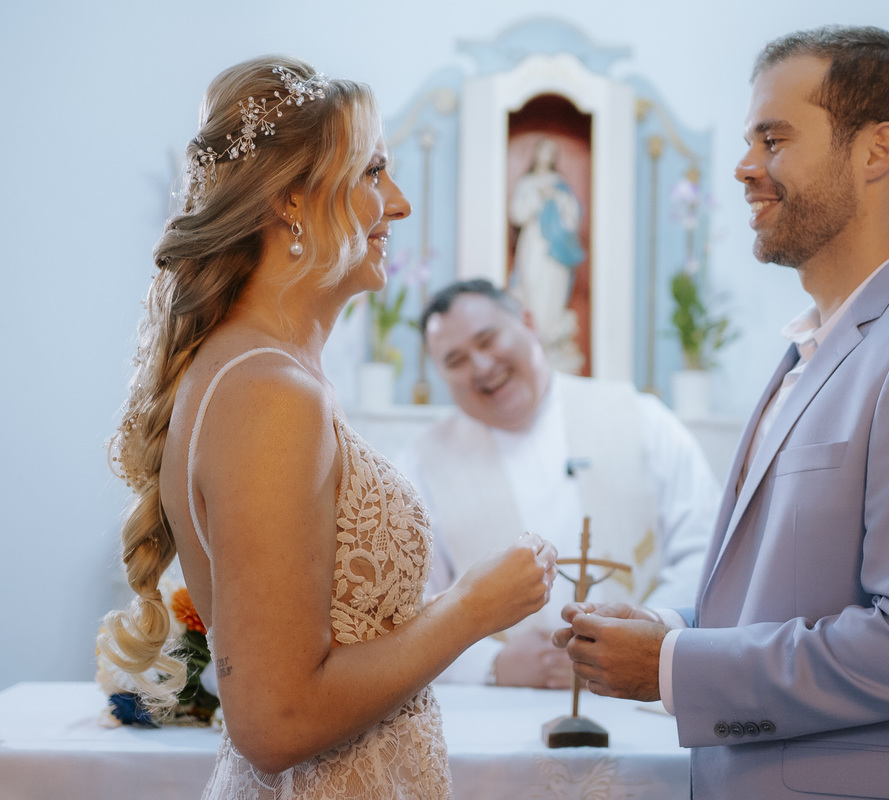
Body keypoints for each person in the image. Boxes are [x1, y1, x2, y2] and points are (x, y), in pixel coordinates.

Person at [553, 25, 889, 800]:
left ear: (877, 152)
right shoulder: (820, 347)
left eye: (774, 140)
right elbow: (791, 594)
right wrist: (669, 628)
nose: (745, 168)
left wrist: (674, 669)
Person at [95, 55, 557, 799]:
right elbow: (275, 721)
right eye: (375, 172)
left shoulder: (258, 373)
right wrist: (473, 608)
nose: (399, 205)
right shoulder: (270, 394)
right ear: (293, 201)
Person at [407, 278, 717, 689]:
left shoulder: (642, 419)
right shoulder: (419, 467)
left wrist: (649, 632)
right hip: (503, 705)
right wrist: (492, 663)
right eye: (455, 360)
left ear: (529, 323)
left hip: (642, 691)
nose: (481, 367)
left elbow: (707, 550)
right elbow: (408, 614)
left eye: (487, 339)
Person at [508, 137, 586, 372]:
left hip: (556, 251)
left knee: (553, 292)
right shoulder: (528, 183)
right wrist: (537, 197)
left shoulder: (561, 184)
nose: (546, 156)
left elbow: (572, 218)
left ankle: (551, 340)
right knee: (531, 288)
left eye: (552, 152)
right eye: (543, 151)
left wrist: (558, 199)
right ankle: (535, 339)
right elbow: (517, 215)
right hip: (535, 245)